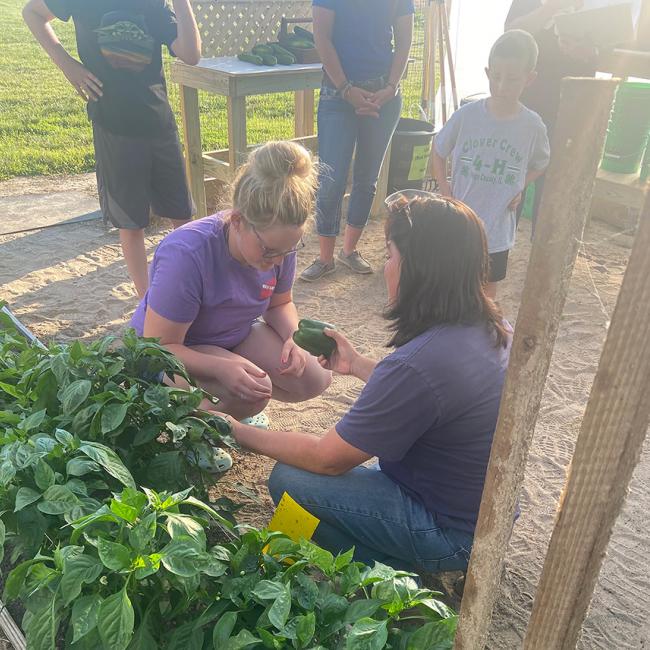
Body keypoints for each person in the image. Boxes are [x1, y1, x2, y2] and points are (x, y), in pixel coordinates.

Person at [223, 191, 511, 574]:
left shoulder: (417, 364)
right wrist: (357, 364)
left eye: (390, 255)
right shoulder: (493, 328)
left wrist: (237, 431)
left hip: (451, 533)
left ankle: (389, 573)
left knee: (290, 479)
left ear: (418, 268)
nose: (387, 267)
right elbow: (432, 397)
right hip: (489, 517)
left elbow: (327, 459)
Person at [131, 141, 332, 421]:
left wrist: (293, 337)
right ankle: (193, 420)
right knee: (252, 392)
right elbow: (160, 346)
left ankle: (219, 405)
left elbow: (279, 304)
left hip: (231, 336)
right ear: (237, 220)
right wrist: (219, 368)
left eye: (287, 250)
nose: (277, 261)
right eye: (269, 251)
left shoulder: (279, 246)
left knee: (315, 375)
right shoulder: (187, 254)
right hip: (174, 350)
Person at [23, 0, 201, 299]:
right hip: (113, 126)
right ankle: (147, 301)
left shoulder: (154, 5)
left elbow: (191, 54)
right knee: (131, 221)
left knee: (182, 215)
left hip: (158, 124)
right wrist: (67, 64)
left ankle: (194, 289)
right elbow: (32, 13)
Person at [299, 0, 414, 282]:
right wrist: (346, 89)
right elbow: (322, 38)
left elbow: (404, 42)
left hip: (383, 96)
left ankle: (349, 250)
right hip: (338, 94)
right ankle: (325, 257)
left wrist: (390, 87)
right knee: (331, 177)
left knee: (367, 177)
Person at [432, 30, 550, 299]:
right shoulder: (467, 116)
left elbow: (542, 162)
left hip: (497, 228)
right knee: (450, 283)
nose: (501, 85)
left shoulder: (532, 126)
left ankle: (480, 335)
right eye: (496, 76)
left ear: (529, 79)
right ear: (487, 73)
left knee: (487, 290)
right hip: (459, 222)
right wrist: (444, 189)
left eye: (512, 79)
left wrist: (522, 184)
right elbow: (438, 151)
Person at [506, 0, 598, 226]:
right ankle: (501, 250)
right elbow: (511, 33)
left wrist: (589, 51)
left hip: (571, 110)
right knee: (513, 184)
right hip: (526, 106)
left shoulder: (591, 5)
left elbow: (609, 46)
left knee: (553, 192)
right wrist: (551, 8)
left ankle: (542, 252)